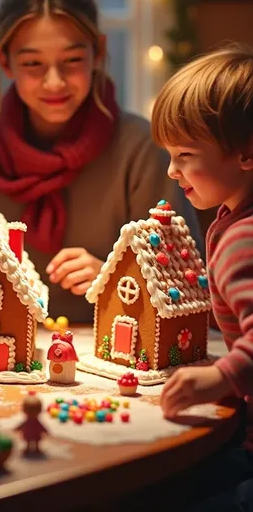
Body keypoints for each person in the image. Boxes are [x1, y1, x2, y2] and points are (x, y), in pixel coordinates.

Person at [0, 0, 201, 322]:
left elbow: (184, 277)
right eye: (32, 64)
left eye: (72, 61)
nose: (54, 82)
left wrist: (113, 279)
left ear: (99, 53)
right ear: (4, 62)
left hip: (112, 351)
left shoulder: (141, 148)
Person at [150, 44, 253, 511]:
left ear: (246, 153)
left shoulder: (242, 240)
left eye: (186, 154)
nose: (173, 171)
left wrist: (220, 379)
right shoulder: (232, 221)